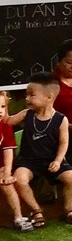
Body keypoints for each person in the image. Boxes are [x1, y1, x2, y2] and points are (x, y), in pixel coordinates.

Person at [9, 73, 72, 225]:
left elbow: (63, 143)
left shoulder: (61, 119)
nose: (27, 99)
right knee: (19, 179)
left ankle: (68, 208)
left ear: (49, 97)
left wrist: (58, 161)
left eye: (31, 95)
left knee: (71, 176)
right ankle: (36, 210)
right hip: (28, 161)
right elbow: (7, 121)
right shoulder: (26, 114)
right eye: (26, 95)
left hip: (52, 160)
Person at [0, 91, 29, 230]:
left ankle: (18, 218)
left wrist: (7, 173)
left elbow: (8, 152)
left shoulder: (5, 127)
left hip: (1, 168)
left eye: (3, 107)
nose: (0, 111)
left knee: (7, 184)